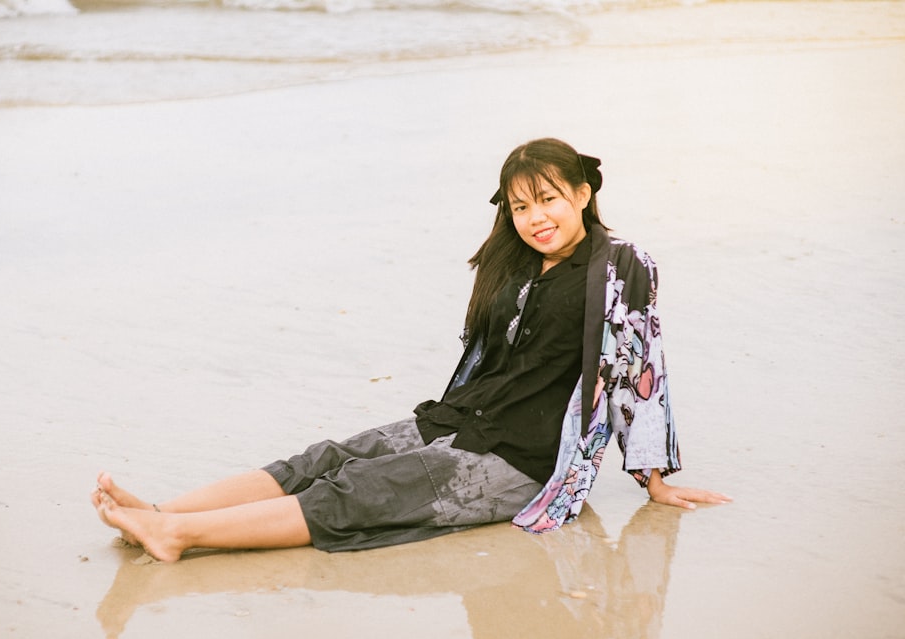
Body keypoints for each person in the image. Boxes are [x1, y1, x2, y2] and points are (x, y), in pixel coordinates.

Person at [91, 138, 731, 562]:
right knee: (327, 457)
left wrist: (654, 479)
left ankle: (178, 535)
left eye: (548, 199)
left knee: (363, 489)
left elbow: (638, 371)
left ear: (583, 195)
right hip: (460, 421)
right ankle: (159, 511)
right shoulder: (516, 268)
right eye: (520, 206)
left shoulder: (620, 265)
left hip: (525, 459)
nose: (535, 217)